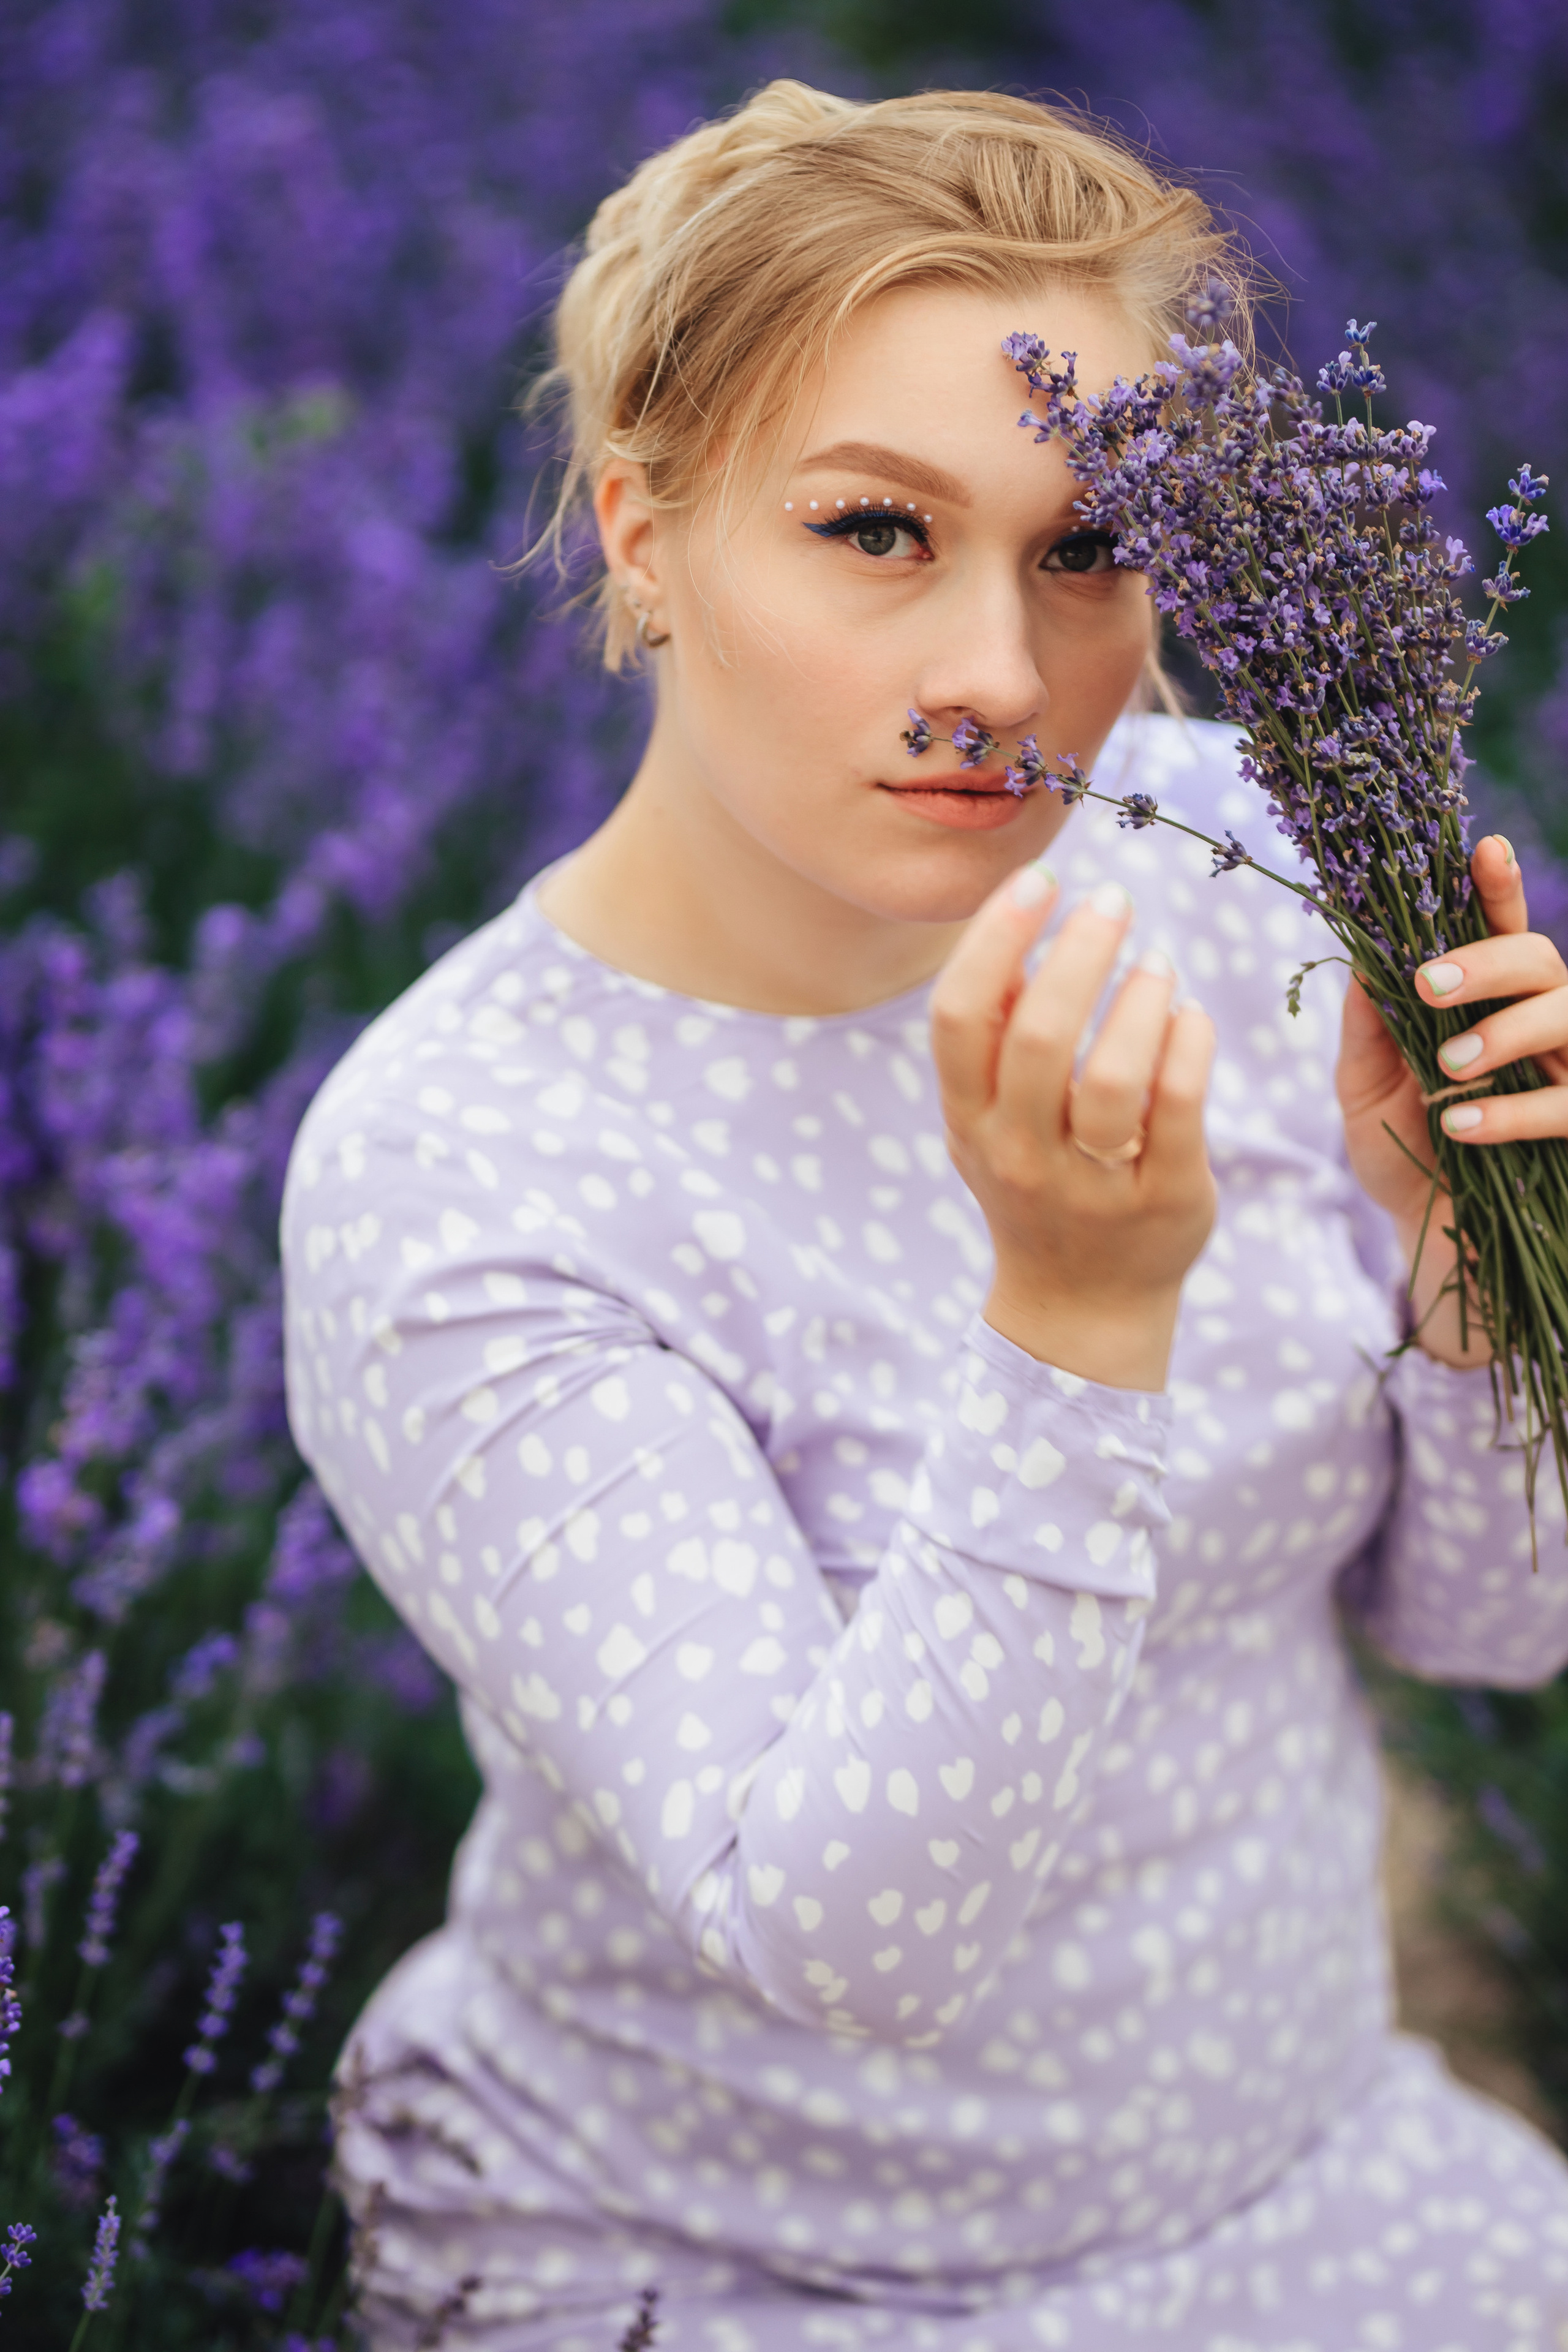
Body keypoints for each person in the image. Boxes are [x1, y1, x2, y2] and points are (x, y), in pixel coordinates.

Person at [279, 81, 1568, 2352]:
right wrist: (1072, 1323)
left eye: (1086, 552)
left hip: (1303, 2184)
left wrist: (1481, 1274)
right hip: (737, 2268)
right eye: (878, 532)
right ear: (645, 533)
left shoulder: (1240, 861)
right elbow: (850, 1940)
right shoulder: (468, 1164)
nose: (999, 673)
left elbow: (1494, 1633)